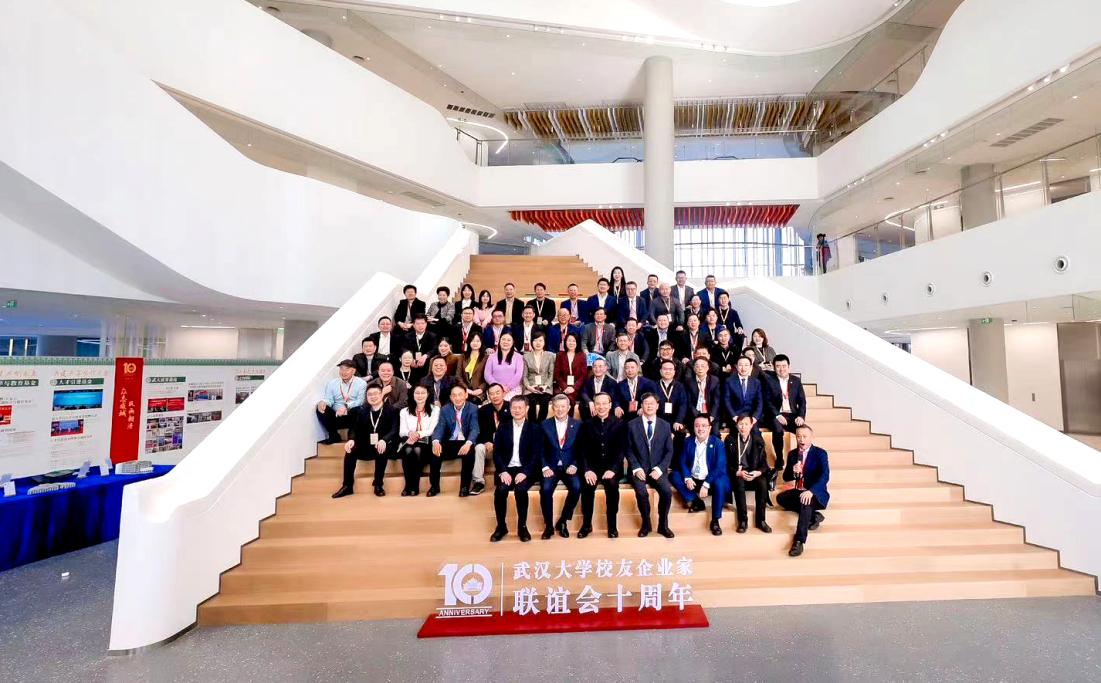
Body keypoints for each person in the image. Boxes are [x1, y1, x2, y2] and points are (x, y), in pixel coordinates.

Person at [332, 382, 399, 498]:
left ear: (381, 395)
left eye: (376, 394)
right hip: (367, 445)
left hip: (385, 445)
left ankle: (378, 484)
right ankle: (347, 486)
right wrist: (351, 439)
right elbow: (354, 428)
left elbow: (395, 429)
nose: (373, 397)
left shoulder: (392, 410)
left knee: (381, 449)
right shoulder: (362, 411)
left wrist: (384, 440)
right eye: (370, 394)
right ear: (366, 397)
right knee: (350, 450)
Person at [490, 395, 541, 542]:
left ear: (527, 409)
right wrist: (502, 471)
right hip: (507, 468)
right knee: (501, 490)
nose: (517, 410)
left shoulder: (534, 428)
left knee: (520, 490)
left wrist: (525, 472)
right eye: (514, 408)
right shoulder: (503, 427)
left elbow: (536, 454)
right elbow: (497, 452)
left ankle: (522, 527)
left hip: (525, 469)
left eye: (520, 407)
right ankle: (501, 526)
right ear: (510, 409)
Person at [671, 414, 730, 536]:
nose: (700, 428)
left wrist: (706, 484)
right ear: (693, 428)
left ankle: (715, 520)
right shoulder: (688, 441)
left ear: (709, 428)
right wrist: (687, 477)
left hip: (711, 480)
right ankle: (695, 501)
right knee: (674, 475)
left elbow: (719, 467)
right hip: (694, 479)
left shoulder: (718, 443)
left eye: (704, 425)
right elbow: (682, 461)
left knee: (720, 482)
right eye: (697, 426)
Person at [626, 394, 675, 538]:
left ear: (657, 406)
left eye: (652, 403)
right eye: (646, 403)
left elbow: (669, 451)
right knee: (641, 492)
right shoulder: (631, 425)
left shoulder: (665, 425)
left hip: (658, 469)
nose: (649, 406)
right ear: (641, 405)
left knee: (666, 492)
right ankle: (646, 524)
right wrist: (636, 467)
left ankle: (663, 525)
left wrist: (660, 469)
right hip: (639, 469)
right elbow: (628, 449)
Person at [778, 425, 830, 557]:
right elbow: (786, 477)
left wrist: (811, 491)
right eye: (798, 436)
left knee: (805, 502)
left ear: (811, 437)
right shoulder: (792, 454)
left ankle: (799, 541)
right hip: (799, 490)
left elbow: (825, 476)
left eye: (805, 436)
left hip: (815, 493)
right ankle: (814, 516)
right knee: (780, 498)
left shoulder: (820, 453)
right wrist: (792, 471)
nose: (801, 439)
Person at [578, 393, 625, 539]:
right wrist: (587, 470)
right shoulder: (586, 424)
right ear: (594, 405)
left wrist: (613, 470)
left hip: (612, 467)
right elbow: (582, 450)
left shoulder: (620, 423)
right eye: (598, 403)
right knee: (587, 486)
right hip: (592, 467)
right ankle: (586, 524)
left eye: (604, 403)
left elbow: (621, 450)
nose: (601, 407)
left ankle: (612, 525)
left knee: (612, 485)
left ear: (610, 405)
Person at [539, 394, 583, 539]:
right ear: (552, 407)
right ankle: (548, 526)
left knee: (576, 487)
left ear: (569, 408)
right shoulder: (544, 424)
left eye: (563, 406)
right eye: (557, 406)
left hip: (570, 466)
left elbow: (581, 449)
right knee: (545, 490)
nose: (560, 409)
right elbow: (540, 449)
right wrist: (545, 467)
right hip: (551, 467)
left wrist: (575, 465)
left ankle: (563, 521)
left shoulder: (578, 425)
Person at [761, 354, 807, 490]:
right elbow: (767, 401)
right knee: (778, 430)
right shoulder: (769, 380)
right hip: (775, 414)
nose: (781, 369)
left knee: (803, 431)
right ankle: (780, 458)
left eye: (784, 366)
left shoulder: (796, 381)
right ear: (774, 367)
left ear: (789, 367)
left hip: (792, 415)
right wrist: (777, 415)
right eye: (778, 366)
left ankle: (801, 459)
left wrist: (801, 416)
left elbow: (802, 401)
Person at [429, 385, 480, 497]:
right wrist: (436, 441)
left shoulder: (473, 408)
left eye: (460, 395)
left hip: (465, 441)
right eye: (454, 395)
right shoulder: (445, 409)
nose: (457, 398)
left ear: (466, 395)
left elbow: (474, 428)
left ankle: (464, 487)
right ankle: (434, 486)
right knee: (435, 451)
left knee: (470, 452)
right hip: (451, 441)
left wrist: (468, 443)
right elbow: (440, 427)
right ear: (451, 397)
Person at [727, 414, 772, 533]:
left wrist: (758, 472)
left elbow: (764, 464)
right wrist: (737, 472)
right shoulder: (730, 439)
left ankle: (761, 520)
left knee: (762, 483)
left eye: (746, 424)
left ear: (752, 425)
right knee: (738, 483)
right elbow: (726, 463)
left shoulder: (758, 440)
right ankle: (743, 521)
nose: (743, 427)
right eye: (741, 424)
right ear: (737, 425)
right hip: (738, 473)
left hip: (753, 472)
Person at [397, 384, 438, 496]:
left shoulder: (435, 410)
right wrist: (410, 433)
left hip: (426, 442)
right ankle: (407, 485)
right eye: (417, 393)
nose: (420, 396)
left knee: (417, 449)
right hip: (409, 441)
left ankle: (415, 486)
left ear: (428, 394)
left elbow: (432, 430)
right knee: (408, 450)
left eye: (423, 393)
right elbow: (402, 431)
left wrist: (418, 434)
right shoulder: (404, 411)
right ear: (412, 394)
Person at [316, 360, 367, 445]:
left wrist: (346, 406)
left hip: (352, 417)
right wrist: (323, 402)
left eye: (347, 369)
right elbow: (329, 399)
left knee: (358, 410)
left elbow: (360, 401)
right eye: (341, 369)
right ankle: (334, 436)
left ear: (353, 371)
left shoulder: (361, 383)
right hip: (336, 416)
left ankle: (352, 437)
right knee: (321, 408)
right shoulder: (332, 383)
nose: (343, 372)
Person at [472, 383, 507, 495]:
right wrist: (486, 441)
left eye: (497, 393)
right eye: (491, 394)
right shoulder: (483, 410)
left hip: (506, 447)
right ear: (488, 396)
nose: (495, 396)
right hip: (489, 446)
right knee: (479, 447)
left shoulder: (511, 407)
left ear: (503, 393)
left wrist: (497, 443)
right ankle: (478, 482)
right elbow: (479, 431)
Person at [723, 355, 764, 433]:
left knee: (756, 434)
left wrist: (755, 417)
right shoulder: (729, 381)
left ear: (751, 367)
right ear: (736, 366)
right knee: (735, 434)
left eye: (746, 365)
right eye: (740, 365)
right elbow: (726, 401)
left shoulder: (756, 382)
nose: (743, 368)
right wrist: (734, 416)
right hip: (735, 417)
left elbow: (759, 402)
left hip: (751, 416)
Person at [654, 359, 688, 450]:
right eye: (665, 369)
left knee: (680, 433)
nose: (667, 371)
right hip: (659, 419)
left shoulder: (680, 386)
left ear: (674, 372)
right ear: (660, 371)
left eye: (670, 369)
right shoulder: (654, 385)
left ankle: (676, 459)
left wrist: (679, 420)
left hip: (675, 419)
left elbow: (683, 405)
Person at [684, 357, 721, 434]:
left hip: (711, 414)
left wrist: (711, 416)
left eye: (703, 366)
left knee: (715, 434)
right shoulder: (689, 382)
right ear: (694, 368)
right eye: (697, 366)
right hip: (694, 414)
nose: (700, 368)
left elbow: (716, 401)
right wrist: (697, 416)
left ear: (707, 368)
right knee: (695, 434)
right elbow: (689, 402)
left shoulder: (714, 380)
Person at [522, 331, 554, 422]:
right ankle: (532, 425)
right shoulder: (526, 356)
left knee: (544, 402)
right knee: (531, 403)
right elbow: (524, 375)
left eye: (540, 340)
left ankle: (541, 425)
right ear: (532, 342)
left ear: (544, 342)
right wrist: (529, 387)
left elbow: (551, 373)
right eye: (535, 340)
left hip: (545, 387)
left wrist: (545, 386)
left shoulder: (550, 356)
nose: (538, 343)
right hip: (531, 387)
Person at [484, 331, 524, 400]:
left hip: (513, 390)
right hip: (494, 389)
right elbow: (487, 375)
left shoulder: (518, 357)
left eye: (509, 340)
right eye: (503, 339)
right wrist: (499, 387)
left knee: (508, 403)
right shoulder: (491, 357)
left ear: (513, 342)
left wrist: (507, 388)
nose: (505, 342)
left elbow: (518, 375)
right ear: (499, 341)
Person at [553, 332, 588, 403]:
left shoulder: (582, 355)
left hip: (577, 387)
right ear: (565, 342)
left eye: (573, 341)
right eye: (569, 341)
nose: (571, 343)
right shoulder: (560, 355)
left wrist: (574, 387)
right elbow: (557, 375)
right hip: (562, 387)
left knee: (569, 398)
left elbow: (583, 375)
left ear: (577, 342)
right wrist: (565, 387)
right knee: (561, 398)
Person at [454, 333, 488, 405]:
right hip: (464, 390)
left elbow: (487, 377)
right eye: (473, 341)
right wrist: (466, 389)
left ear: (481, 342)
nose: (475, 343)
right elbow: (458, 375)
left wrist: (481, 389)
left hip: (480, 392)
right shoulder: (463, 356)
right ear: (469, 342)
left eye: (477, 341)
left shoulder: (486, 358)